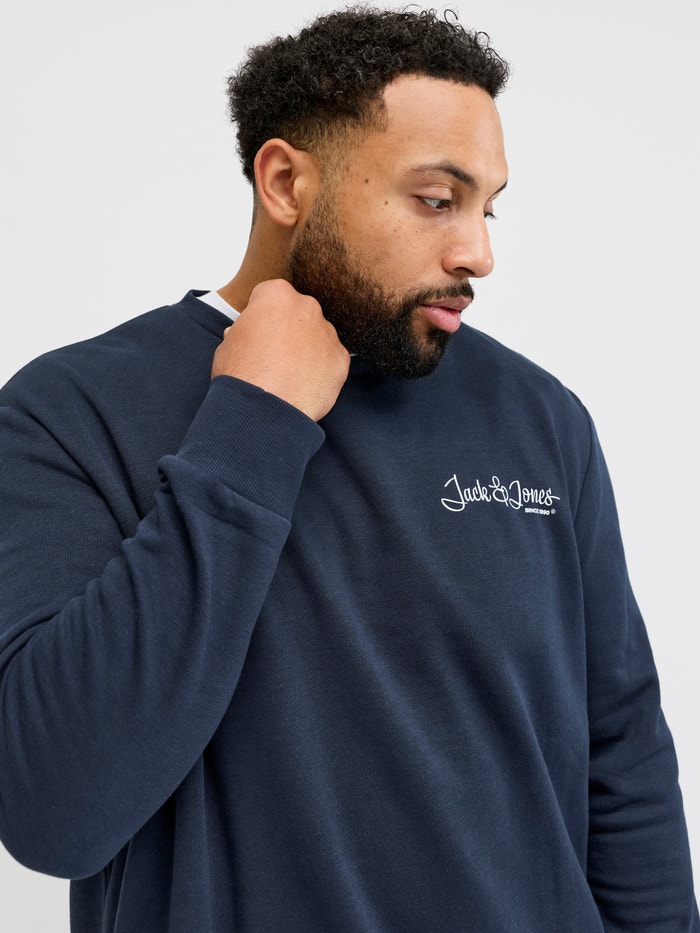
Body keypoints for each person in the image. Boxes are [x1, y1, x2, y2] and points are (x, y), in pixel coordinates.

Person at [0, 6, 696, 931]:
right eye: (437, 199)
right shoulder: (70, 411)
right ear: (286, 181)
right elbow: (54, 812)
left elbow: (624, 758)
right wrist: (252, 423)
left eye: (488, 207)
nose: (479, 252)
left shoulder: (541, 419)